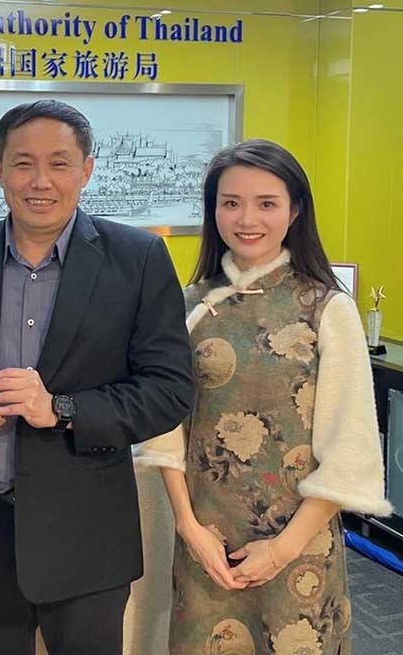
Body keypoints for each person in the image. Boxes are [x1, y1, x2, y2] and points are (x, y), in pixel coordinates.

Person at [0, 99, 196, 655]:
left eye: (59, 163)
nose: (40, 181)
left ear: (86, 169)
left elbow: (168, 391)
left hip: (86, 537)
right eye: (23, 163)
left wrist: (61, 409)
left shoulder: (137, 258)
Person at [135, 139, 391, 654]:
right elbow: (166, 432)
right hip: (207, 544)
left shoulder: (326, 308)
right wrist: (189, 528)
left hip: (299, 547)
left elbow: (350, 449)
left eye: (266, 203)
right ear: (214, 211)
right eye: (230, 202)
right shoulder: (190, 306)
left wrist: (280, 551)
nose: (247, 219)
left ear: (295, 211)